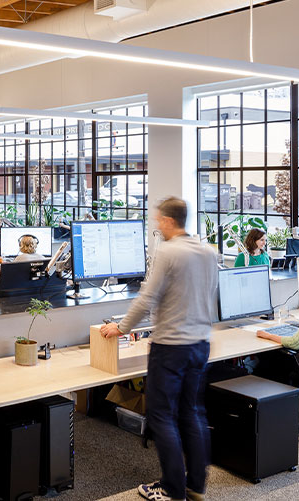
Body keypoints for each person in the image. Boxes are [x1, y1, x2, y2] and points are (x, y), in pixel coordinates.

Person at [99, 197, 218, 501]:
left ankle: (171, 489)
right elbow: (211, 294)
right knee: (192, 412)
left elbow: (147, 298)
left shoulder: (168, 251)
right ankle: (195, 486)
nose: (157, 226)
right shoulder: (207, 251)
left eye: (158, 221)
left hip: (171, 346)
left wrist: (121, 328)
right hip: (200, 344)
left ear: (167, 221)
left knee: (162, 416)